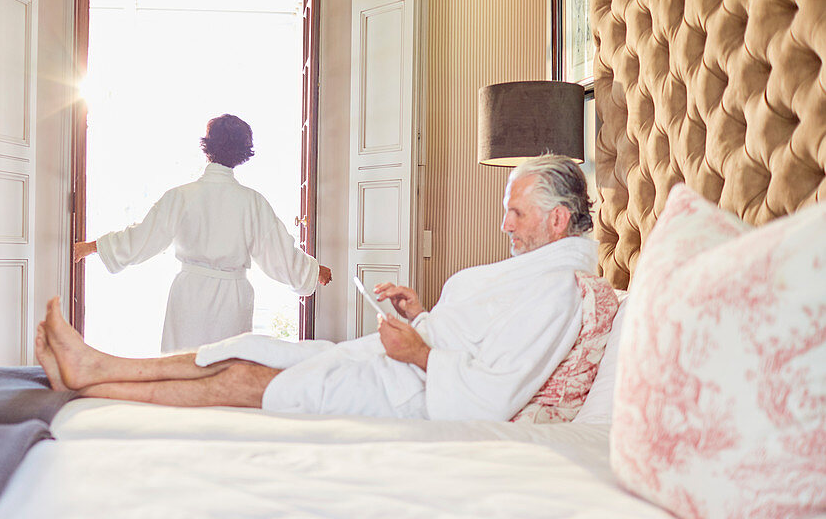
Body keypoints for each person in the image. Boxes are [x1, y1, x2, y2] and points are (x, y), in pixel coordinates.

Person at [42, 154, 595, 421]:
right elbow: (280, 251)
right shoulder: (534, 275)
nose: (505, 226)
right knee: (238, 351)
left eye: (516, 214)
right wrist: (421, 316)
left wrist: (422, 350)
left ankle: (93, 378)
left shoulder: (559, 291)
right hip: (393, 362)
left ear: (558, 220)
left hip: (406, 388)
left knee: (240, 374)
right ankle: (96, 365)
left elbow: (493, 393)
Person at [74, 113, 332, 353]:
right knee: (224, 374)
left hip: (189, 297)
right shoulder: (252, 202)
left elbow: (142, 238)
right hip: (233, 300)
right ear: (243, 152)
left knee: (183, 372)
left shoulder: (181, 196)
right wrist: (313, 270)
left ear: (207, 147)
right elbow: (278, 254)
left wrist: (92, 247)